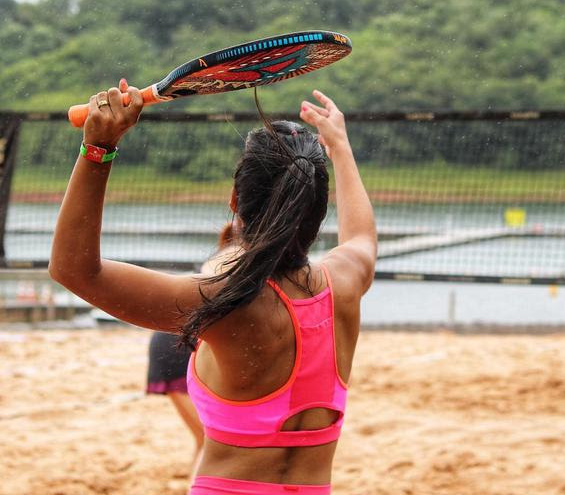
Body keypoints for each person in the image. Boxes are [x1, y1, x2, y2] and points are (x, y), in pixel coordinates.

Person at [50, 80, 377, 495]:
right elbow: (362, 237)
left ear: (234, 201)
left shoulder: (229, 301)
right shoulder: (346, 279)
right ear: (317, 209)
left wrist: (98, 149)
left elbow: (74, 271)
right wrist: (342, 151)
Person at [145, 223, 241, 478]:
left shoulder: (232, 254)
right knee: (210, 440)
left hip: (177, 341)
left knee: (206, 439)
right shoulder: (234, 256)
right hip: (177, 346)